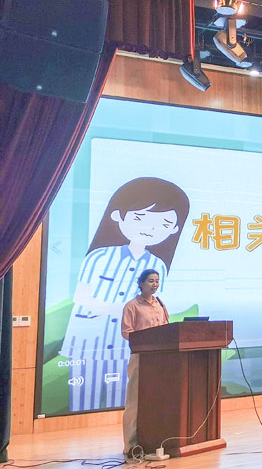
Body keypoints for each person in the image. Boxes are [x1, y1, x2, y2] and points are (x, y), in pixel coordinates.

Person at [59, 177, 189, 413]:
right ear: (118, 216)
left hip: (129, 346)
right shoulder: (99, 257)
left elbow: (154, 305)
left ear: (174, 229)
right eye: (140, 218)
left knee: (126, 400)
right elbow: (81, 298)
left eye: (163, 224)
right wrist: (122, 309)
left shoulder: (158, 265)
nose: (150, 229)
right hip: (90, 341)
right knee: (83, 400)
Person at [121, 269, 170, 456]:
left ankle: (154, 441)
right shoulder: (132, 306)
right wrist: (146, 339)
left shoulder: (160, 304)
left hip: (160, 359)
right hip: (141, 358)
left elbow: (166, 329)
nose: (155, 284)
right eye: (150, 281)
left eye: (157, 281)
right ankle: (131, 445)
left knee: (157, 400)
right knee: (135, 402)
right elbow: (127, 332)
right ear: (141, 283)